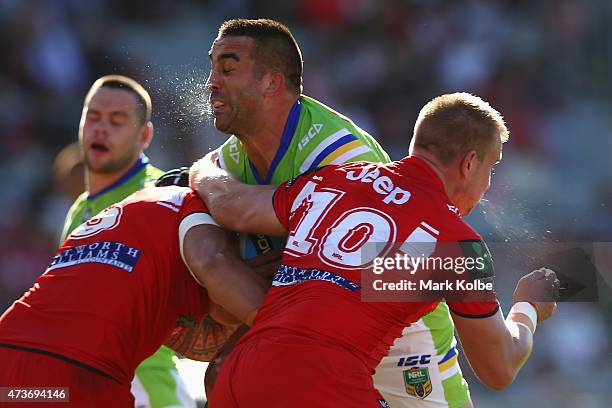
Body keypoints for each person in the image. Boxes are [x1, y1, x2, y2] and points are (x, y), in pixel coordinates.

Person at [189, 92, 560, 407]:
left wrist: (206, 166)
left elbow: (228, 204)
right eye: (490, 169)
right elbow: (499, 368)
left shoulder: (335, 179)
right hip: (325, 385)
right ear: (469, 164)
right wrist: (528, 305)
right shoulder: (456, 243)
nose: (487, 185)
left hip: (241, 375)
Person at [196, 18, 482, 407]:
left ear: (272, 83)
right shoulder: (228, 160)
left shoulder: (337, 154)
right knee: (227, 372)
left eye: (227, 68)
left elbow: (378, 277)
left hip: (406, 339)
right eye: (211, 66)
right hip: (329, 340)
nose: (211, 81)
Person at [0, 185, 268, 406]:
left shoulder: (116, 214)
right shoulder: (193, 209)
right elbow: (212, 261)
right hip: (81, 375)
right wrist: (290, 324)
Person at [59, 75, 194, 408]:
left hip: (151, 394)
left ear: (144, 136)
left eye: (117, 121)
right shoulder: (79, 209)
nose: (101, 128)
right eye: (93, 117)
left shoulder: (162, 196)